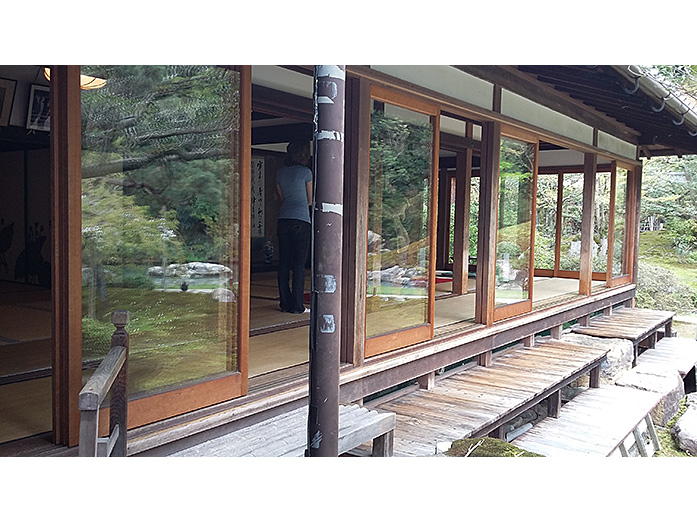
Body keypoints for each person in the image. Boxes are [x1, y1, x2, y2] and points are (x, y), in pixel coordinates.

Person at [276, 141, 313, 314]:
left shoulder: (280, 173)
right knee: (298, 265)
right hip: (301, 219)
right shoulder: (306, 172)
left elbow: (282, 198)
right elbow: (310, 200)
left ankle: (285, 303)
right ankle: (297, 306)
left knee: (283, 262)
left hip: (283, 218)